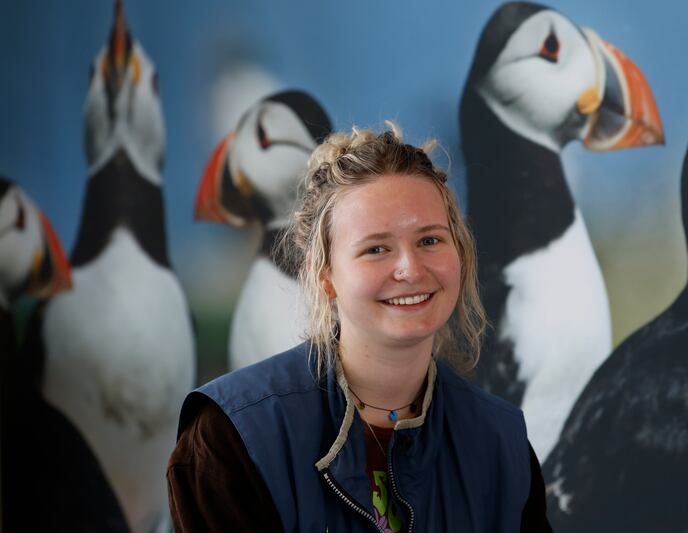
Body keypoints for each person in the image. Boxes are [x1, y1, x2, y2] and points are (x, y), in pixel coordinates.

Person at [167, 122, 552, 532]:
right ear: (324, 275)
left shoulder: (501, 445)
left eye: (429, 241)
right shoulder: (230, 440)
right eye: (376, 249)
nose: (410, 268)